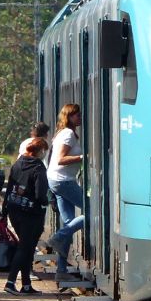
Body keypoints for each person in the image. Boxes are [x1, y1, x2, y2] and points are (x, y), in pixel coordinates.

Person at [3, 137, 51, 295]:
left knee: (27, 247)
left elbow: (10, 187)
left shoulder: (17, 164)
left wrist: (4, 211)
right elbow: (40, 194)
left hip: (14, 210)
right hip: (31, 214)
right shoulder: (39, 168)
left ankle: (26, 284)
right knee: (25, 248)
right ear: (40, 151)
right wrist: (48, 201)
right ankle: (10, 282)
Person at [46, 104, 85, 281]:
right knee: (93, 212)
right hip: (63, 181)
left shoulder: (63, 133)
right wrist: (83, 157)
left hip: (58, 180)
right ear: (68, 117)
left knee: (69, 223)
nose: (79, 117)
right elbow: (61, 159)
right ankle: (57, 237)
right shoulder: (68, 134)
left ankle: (61, 271)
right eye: (76, 115)